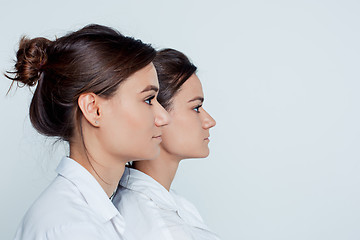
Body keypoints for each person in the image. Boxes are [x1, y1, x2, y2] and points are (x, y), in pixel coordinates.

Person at [6, 24, 170, 240]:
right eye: (148, 99)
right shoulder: (71, 229)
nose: (164, 117)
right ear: (94, 109)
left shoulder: (97, 213)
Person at [113, 48, 220, 240]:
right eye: (196, 108)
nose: (209, 121)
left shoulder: (178, 205)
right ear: (157, 114)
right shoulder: (158, 227)